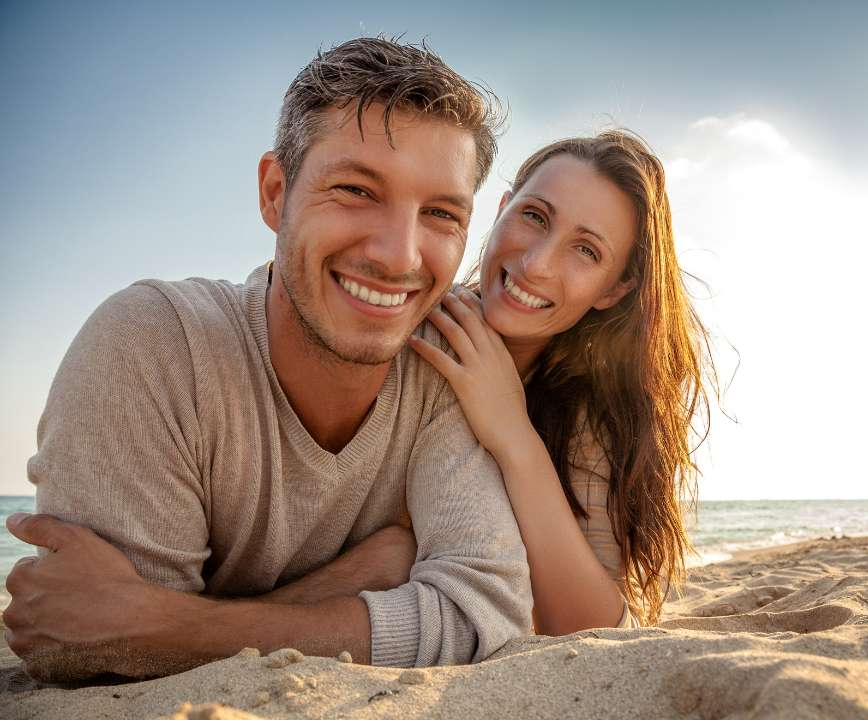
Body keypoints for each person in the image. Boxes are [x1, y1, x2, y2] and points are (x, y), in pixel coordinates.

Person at [2, 37, 533, 682]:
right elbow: (89, 655)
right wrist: (383, 564)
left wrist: (165, 624)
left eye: (441, 213)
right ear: (275, 192)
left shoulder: (446, 364)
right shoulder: (154, 348)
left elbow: (488, 620)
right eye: (356, 191)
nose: (400, 257)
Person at [409, 131, 712, 633]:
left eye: (587, 251)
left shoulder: (595, 408)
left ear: (615, 289)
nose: (537, 264)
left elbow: (593, 625)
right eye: (534, 217)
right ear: (503, 208)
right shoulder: (410, 325)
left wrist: (513, 436)